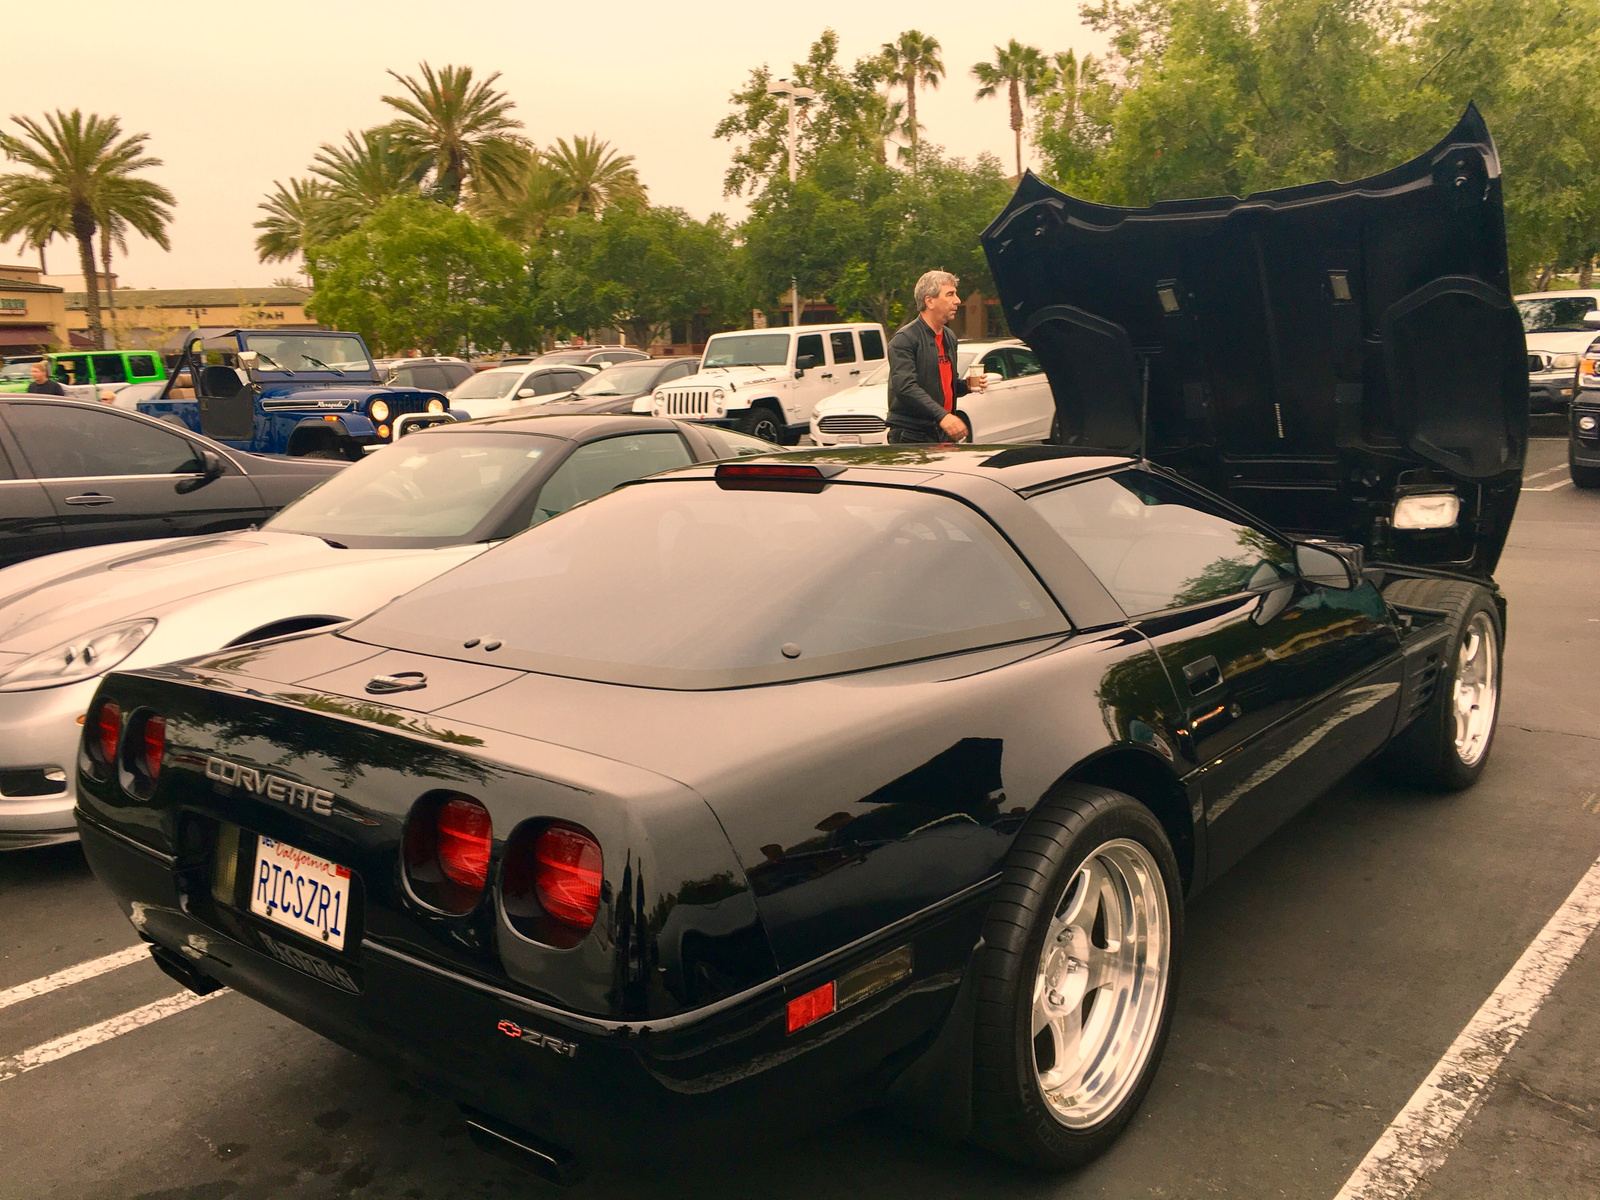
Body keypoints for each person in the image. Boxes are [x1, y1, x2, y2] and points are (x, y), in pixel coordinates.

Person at [886, 270, 986, 444]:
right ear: (929, 301)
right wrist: (943, 416)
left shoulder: (949, 337)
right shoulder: (905, 339)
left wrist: (965, 386)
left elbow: (943, 383)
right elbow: (905, 388)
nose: (958, 300)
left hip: (943, 434)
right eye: (950, 294)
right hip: (912, 437)